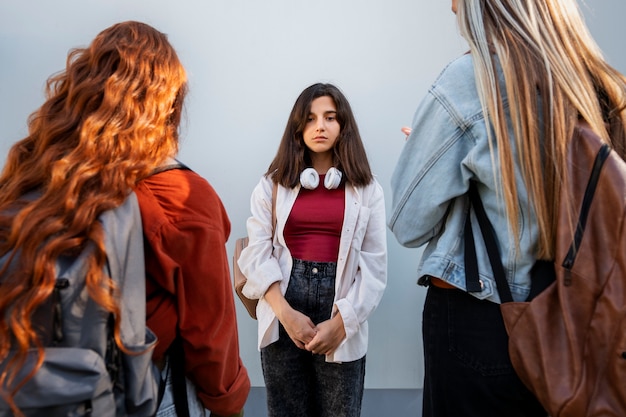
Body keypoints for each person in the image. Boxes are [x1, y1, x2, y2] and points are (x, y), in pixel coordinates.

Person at [388, 1, 626, 416]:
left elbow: (408, 223)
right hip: (579, 320)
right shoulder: (596, 82)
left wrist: (427, 158)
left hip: (482, 324)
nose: (451, 6)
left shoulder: (469, 80)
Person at [0, 21, 249, 417]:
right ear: (167, 105)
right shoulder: (182, 196)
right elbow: (210, 340)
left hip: (27, 387)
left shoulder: (35, 180)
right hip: (146, 394)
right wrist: (230, 404)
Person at [237, 83, 387, 417]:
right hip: (282, 308)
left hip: (341, 312)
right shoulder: (272, 184)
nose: (320, 126)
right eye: (310, 119)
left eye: (330, 117)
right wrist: (285, 314)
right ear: (298, 127)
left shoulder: (367, 189)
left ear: (343, 125)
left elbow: (374, 269)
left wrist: (343, 323)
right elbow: (256, 253)